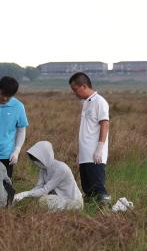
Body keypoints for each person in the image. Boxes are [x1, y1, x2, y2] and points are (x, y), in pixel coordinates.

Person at [69, 71, 111, 205]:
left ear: (83, 86)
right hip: (85, 155)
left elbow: (105, 124)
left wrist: (99, 148)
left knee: (98, 188)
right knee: (88, 189)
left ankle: (107, 214)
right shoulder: (86, 103)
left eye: (75, 90)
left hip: (95, 155)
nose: (75, 93)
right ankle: (91, 215)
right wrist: (80, 153)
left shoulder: (100, 102)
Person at [12, 140, 83, 210]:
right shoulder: (43, 169)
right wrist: (22, 195)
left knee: (43, 201)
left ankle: (60, 216)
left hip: (73, 201)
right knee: (38, 199)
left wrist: (25, 194)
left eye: (37, 159)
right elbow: (39, 187)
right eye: (34, 160)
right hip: (59, 197)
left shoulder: (61, 169)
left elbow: (45, 190)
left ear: (45, 156)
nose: (35, 162)